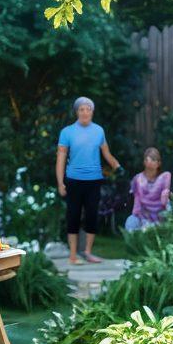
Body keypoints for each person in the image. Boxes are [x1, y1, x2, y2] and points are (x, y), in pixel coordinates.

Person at [56, 97, 121, 265]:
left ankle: (87, 252)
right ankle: (72, 256)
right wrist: (60, 182)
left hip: (94, 181)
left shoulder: (99, 131)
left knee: (92, 216)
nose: (85, 112)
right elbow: (61, 159)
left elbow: (106, 153)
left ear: (92, 111)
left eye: (88, 109)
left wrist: (116, 165)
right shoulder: (67, 132)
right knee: (73, 216)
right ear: (77, 112)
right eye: (81, 109)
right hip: (73, 181)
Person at [125, 147, 172, 231]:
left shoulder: (165, 177)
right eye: (147, 159)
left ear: (159, 163)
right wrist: (137, 215)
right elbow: (137, 200)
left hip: (160, 217)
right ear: (144, 162)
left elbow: (165, 200)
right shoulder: (138, 178)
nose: (150, 162)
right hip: (143, 217)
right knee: (131, 221)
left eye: (153, 159)